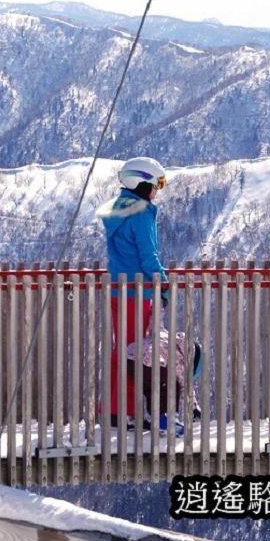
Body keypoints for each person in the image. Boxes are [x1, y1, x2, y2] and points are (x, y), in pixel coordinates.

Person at [96, 156, 169, 429]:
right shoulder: (141, 212)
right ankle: (125, 412)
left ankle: (114, 408)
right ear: (141, 183)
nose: (158, 190)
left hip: (118, 289)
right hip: (138, 293)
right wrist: (163, 284)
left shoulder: (117, 209)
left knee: (122, 349)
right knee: (135, 352)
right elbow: (149, 256)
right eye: (157, 183)